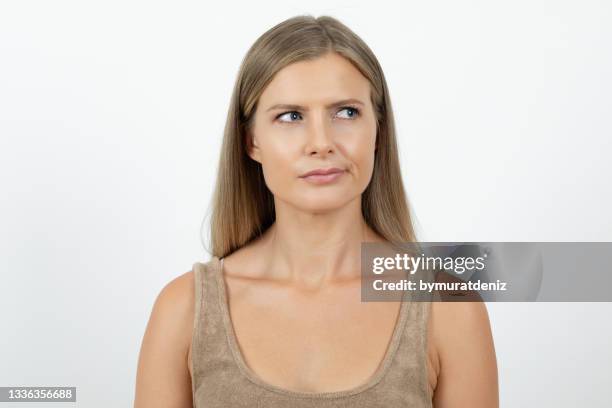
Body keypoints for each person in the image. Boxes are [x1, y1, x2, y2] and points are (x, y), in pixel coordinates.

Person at [134, 14, 498, 407]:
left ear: (378, 131)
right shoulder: (183, 311)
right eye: (291, 116)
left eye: (346, 113)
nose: (321, 143)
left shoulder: (448, 308)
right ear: (251, 141)